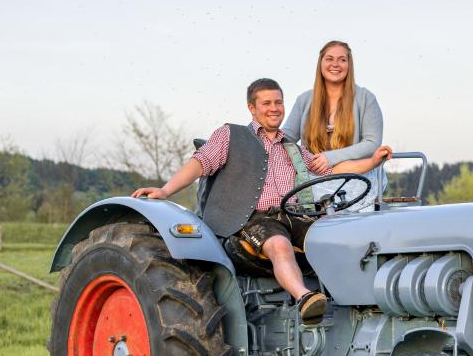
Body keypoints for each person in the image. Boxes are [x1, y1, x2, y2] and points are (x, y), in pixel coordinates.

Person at [132, 78, 391, 324]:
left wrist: (372, 161)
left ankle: (362, 301)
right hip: (250, 220)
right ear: (252, 108)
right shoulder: (231, 136)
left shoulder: (291, 146)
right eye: (266, 103)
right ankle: (305, 299)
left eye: (278, 102)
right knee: (278, 244)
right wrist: (166, 191)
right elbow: (200, 163)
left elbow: (330, 169)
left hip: (292, 215)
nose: (274, 108)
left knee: (335, 233)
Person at [281, 40, 385, 212]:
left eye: (342, 60)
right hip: (315, 177)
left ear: (349, 65)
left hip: (356, 177)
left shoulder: (366, 98)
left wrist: (330, 158)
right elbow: (285, 138)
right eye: (329, 58)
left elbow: (372, 143)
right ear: (320, 63)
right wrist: (260, 132)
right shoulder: (305, 100)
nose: (335, 64)